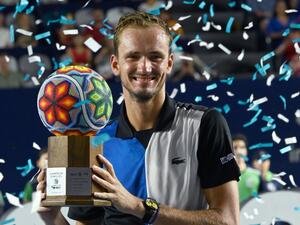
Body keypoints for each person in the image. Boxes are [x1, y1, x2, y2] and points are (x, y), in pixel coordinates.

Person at [37, 11, 240, 225]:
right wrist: (53, 218)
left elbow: (228, 220)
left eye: (155, 56)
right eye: (133, 56)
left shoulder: (204, 124)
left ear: (169, 63)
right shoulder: (96, 141)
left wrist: (139, 208)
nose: (144, 67)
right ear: (115, 64)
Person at [232, 134, 260, 203]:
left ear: (246, 151)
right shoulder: (224, 177)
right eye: (235, 148)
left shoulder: (257, 174)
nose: (239, 151)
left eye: (242, 147)